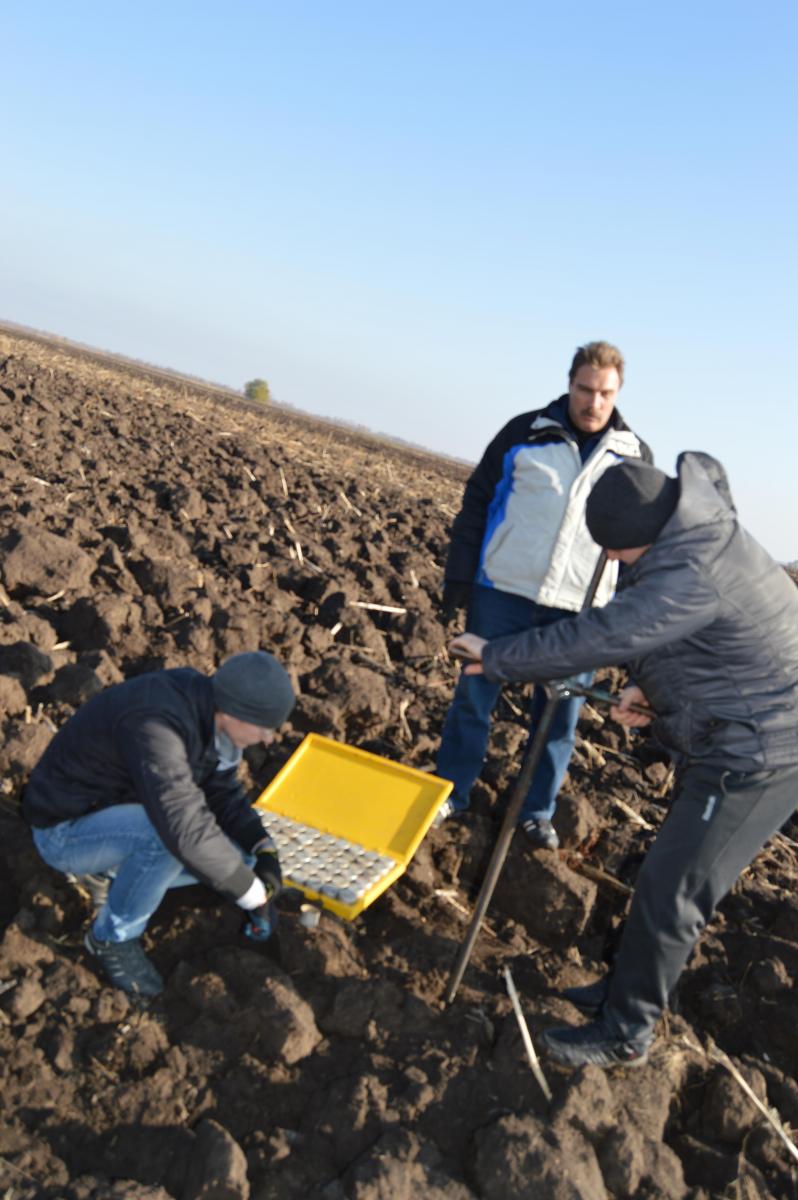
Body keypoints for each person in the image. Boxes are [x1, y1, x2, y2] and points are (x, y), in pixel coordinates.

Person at [449, 452, 798, 1068]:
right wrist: (651, 693)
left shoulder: (693, 565)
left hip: (761, 753)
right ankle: (619, 992)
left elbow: (606, 634)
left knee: (674, 890)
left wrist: (500, 656)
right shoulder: (690, 533)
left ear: (642, 534)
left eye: (614, 551)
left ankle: (627, 1032)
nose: (609, 560)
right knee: (663, 876)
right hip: (734, 729)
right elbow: (699, 646)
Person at [437, 340, 651, 847]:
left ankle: (536, 813)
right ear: (569, 383)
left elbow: (641, 547)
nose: (593, 402)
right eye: (585, 389)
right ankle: (451, 792)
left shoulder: (633, 457)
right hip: (503, 594)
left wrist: (625, 619)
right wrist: (460, 578)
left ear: (617, 392)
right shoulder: (523, 433)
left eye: (605, 393)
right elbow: (477, 504)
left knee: (559, 715)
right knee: (473, 697)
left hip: (578, 612)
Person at [23, 650, 296, 997]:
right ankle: (111, 940)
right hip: (64, 829)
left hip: (119, 809)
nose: (269, 739)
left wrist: (263, 849)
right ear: (232, 712)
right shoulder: (156, 724)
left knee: (239, 862)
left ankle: (112, 872)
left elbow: (224, 795)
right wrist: (253, 897)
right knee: (167, 841)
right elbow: (183, 830)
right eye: (264, 728)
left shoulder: (211, 711)